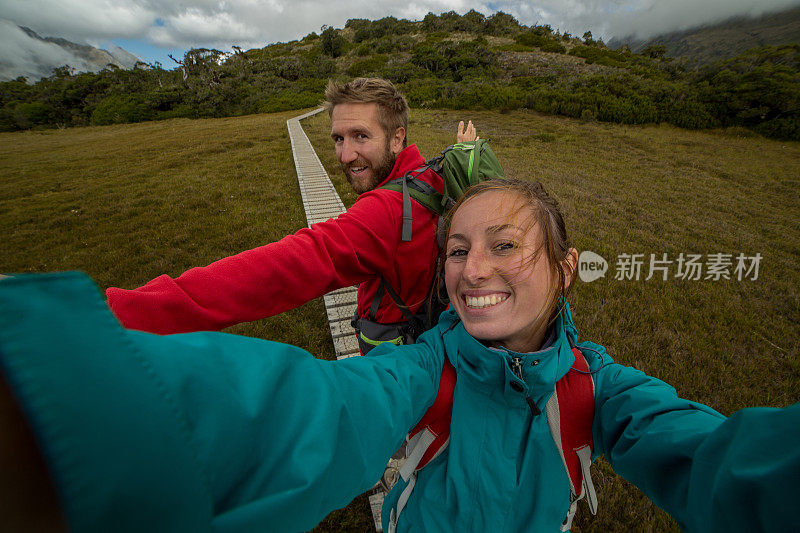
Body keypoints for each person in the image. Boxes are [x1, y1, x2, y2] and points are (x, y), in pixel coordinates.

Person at [0, 179, 797, 532]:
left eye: (505, 245)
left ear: (566, 265)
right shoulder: (422, 371)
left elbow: (717, 461)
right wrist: (69, 405)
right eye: (456, 250)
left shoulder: (605, 387)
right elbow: (308, 413)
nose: (471, 269)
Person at [105, 77, 479, 353]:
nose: (345, 155)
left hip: (395, 359)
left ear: (397, 138)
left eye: (360, 137)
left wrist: (125, 313)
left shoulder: (382, 212)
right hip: (431, 337)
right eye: (338, 139)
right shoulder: (430, 175)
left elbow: (283, 267)